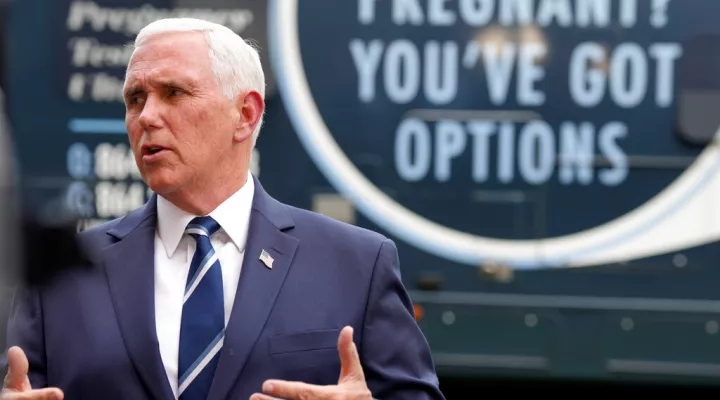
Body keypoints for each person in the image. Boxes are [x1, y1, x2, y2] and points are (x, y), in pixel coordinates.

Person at [0, 18, 445, 400]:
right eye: (135, 99)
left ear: (246, 115)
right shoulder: (60, 276)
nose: (147, 117)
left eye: (173, 93)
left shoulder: (356, 264)